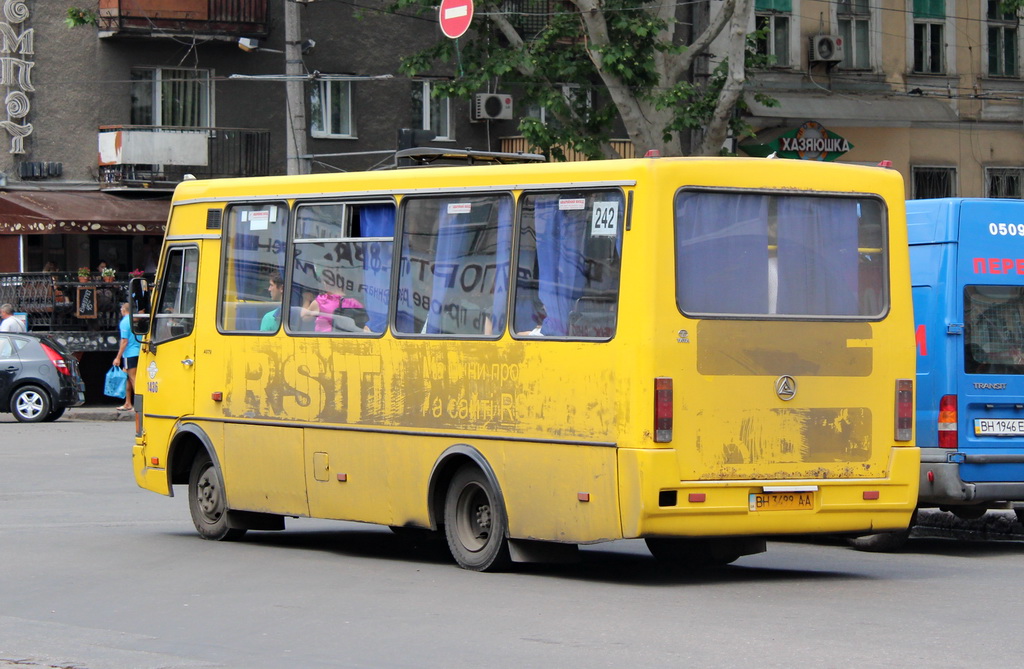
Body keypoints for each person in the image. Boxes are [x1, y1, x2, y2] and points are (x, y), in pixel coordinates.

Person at [300, 276, 368, 333]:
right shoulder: (354, 303)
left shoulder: (321, 301)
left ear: (326, 286)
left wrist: (306, 299)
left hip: (324, 341)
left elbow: (304, 318)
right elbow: (363, 324)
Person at [113, 302, 142, 411]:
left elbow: (124, 341)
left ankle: (140, 404)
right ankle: (128, 403)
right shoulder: (135, 320)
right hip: (138, 351)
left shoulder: (125, 322)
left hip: (130, 353)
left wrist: (118, 357)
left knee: (133, 378)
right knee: (127, 378)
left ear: (124, 310)